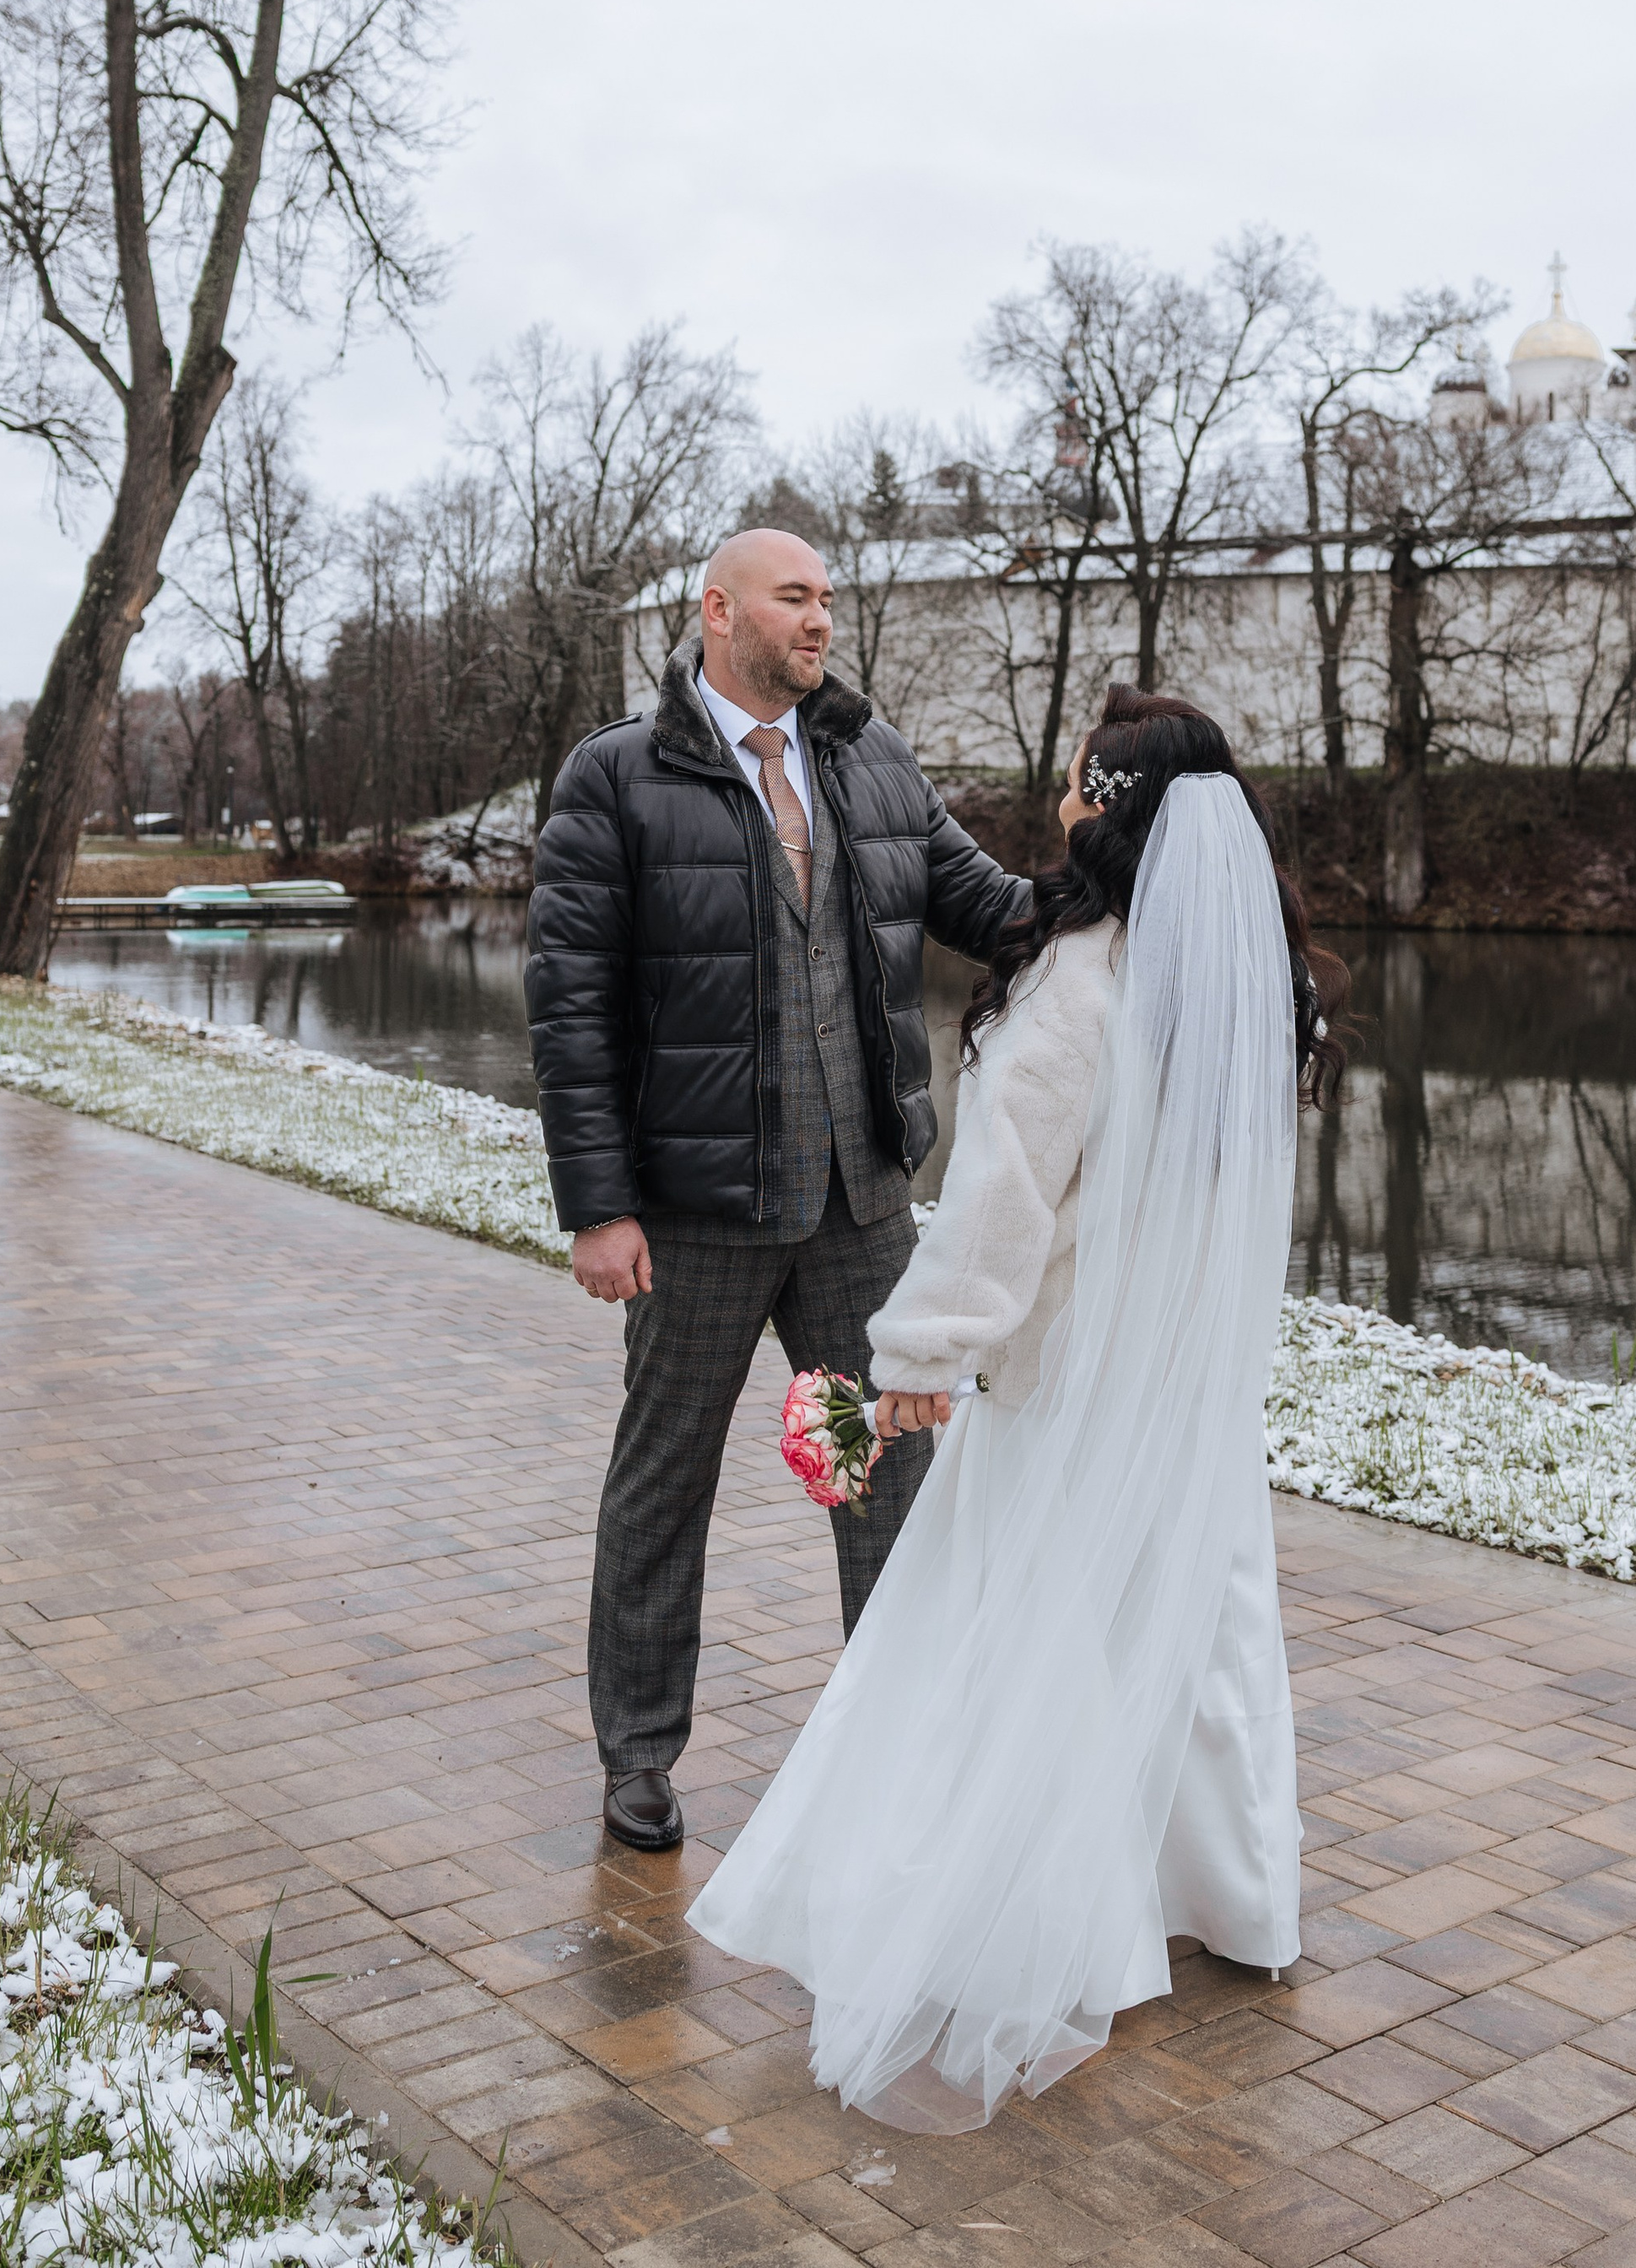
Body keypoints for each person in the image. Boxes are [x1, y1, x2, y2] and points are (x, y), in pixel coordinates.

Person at [687, 686, 1349, 2128]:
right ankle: (1235, 1901)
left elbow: (1003, 1202)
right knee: (1205, 1637)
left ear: (1102, 811)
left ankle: (1032, 1919)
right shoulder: (1245, 995)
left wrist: (922, 1356)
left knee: (1018, 1643)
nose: (1056, 802)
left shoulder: (1080, 989)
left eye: (1073, 783)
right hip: (1186, 1392)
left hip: (1066, 1387)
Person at [523, 529, 1029, 1855]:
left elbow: (989, 906)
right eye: (795, 597)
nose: (819, 620)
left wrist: (1131, 883)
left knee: (880, 1476)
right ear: (719, 610)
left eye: (825, 599)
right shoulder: (618, 778)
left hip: (860, 1211)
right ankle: (640, 1756)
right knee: (664, 1482)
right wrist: (598, 1204)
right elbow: (571, 1007)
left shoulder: (868, 758)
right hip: (692, 1215)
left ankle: (898, 1733)